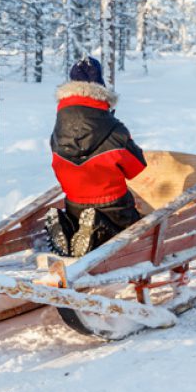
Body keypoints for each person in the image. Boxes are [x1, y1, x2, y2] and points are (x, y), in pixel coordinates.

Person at [45, 56, 148, 257]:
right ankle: (97, 228)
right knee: (133, 230)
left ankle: (69, 227)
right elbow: (136, 168)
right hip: (115, 207)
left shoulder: (58, 132)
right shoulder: (115, 130)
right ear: (101, 89)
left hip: (74, 204)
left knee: (80, 215)